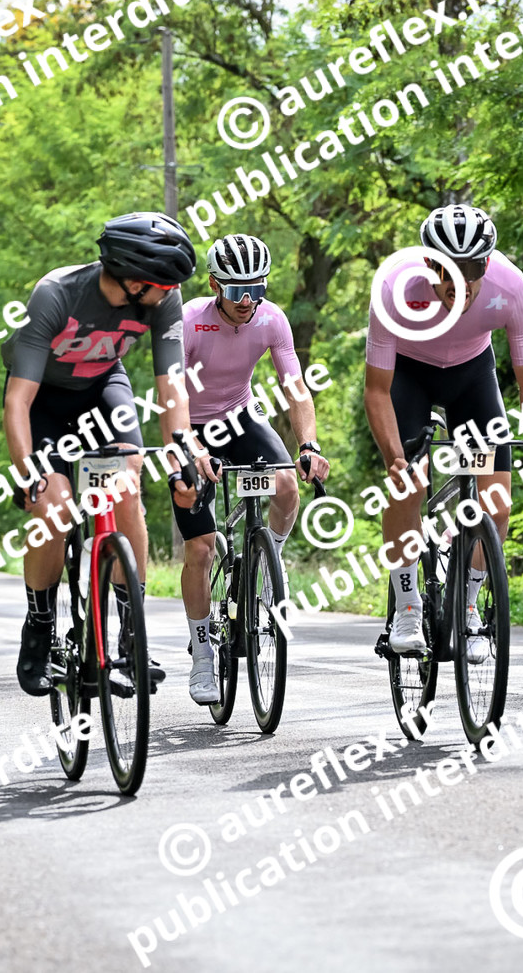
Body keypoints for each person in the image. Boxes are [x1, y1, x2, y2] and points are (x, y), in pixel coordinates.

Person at [1, 211, 220, 696]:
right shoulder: (56, 294)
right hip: (43, 402)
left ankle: (131, 633)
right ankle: (39, 627)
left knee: (126, 486)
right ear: (133, 280)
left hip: (103, 390)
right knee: (53, 509)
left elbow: (172, 387)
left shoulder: (163, 298)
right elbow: (18, 400)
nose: (172, 293)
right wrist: (28, 470)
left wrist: (183, 450)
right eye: (163, 284)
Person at [363, 204, 523, 662]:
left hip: (471, 377)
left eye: (470, 275)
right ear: (427, 263)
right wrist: (395, 458)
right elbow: (377, 390)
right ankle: (407, 605)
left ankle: (469, 606)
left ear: (486, 264)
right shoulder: (394, 287)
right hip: (408, 375)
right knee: (408, 486)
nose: (459, 288)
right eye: (446, 275)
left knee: (498, 503)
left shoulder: (512, 289)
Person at [176, 233, 330, 704]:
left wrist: (309, 444)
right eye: (237, 290)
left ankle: (268, 563)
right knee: (200, 549)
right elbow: (173, 396)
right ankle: (203, 656)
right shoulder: (190, 322)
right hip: (189, 424)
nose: (247, 300)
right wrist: (192, 448)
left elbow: (295, 387)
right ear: (214, 285)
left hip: (241, 416)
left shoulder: (271, 320)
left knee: (287, 486)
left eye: (257, 289)